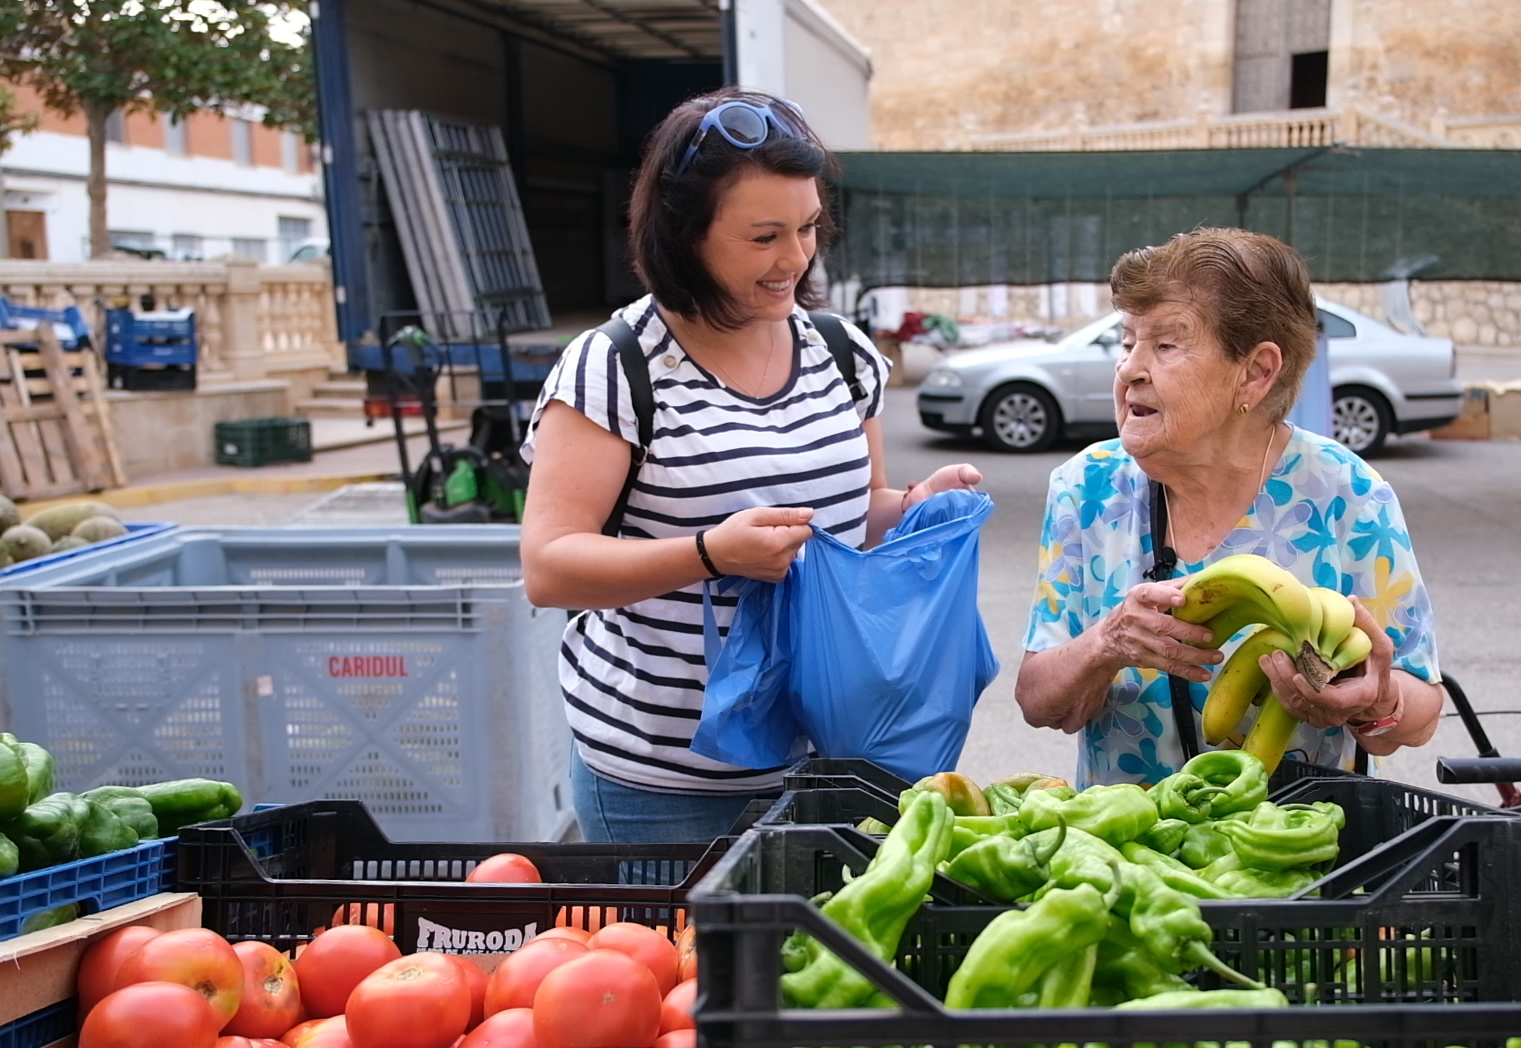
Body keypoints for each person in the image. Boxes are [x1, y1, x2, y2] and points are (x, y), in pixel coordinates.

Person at [519, 91, 981, 843]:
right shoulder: (616, 367)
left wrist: (911, 505)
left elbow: (849, 512)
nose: (795, 258)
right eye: (764, 236)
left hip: (826, 762)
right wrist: (709, 554)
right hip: (663, 787)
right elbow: (549, 565)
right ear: (686, 235)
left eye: (807, 229)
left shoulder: (841, 354)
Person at [1014, 228, 1441, 785]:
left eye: (1165, 345)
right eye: (1127, 342)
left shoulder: (1347, 493)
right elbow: (1038, 700)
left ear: (1257, 372)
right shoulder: (1086, 488)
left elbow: (1421, 710)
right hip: (1127, 855)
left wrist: (1376, 699)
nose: (1130, 370)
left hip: (1300, 850)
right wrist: (1107, 642)